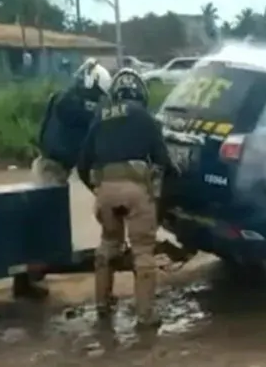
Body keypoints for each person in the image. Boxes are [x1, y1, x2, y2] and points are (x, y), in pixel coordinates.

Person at [76, 70, 177, 327]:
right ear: (140, 93)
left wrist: (98, 191)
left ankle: (103, 305)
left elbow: (82, 164)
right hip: (135, 191)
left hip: (106, 192)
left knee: (108, 246)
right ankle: (145, 316)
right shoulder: (145, 117)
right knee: (143, 251)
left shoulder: (100, 115)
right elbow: (163, 161)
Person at [11, 57, 113, 300]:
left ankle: (27, 279)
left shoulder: (63, 98)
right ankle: (26, 281)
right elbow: (87, 122)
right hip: (51, 167)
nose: (99, 98)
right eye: (98, 93)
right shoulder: (73, 103)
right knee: (45, 226)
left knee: (42, 223)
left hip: (51, 165)